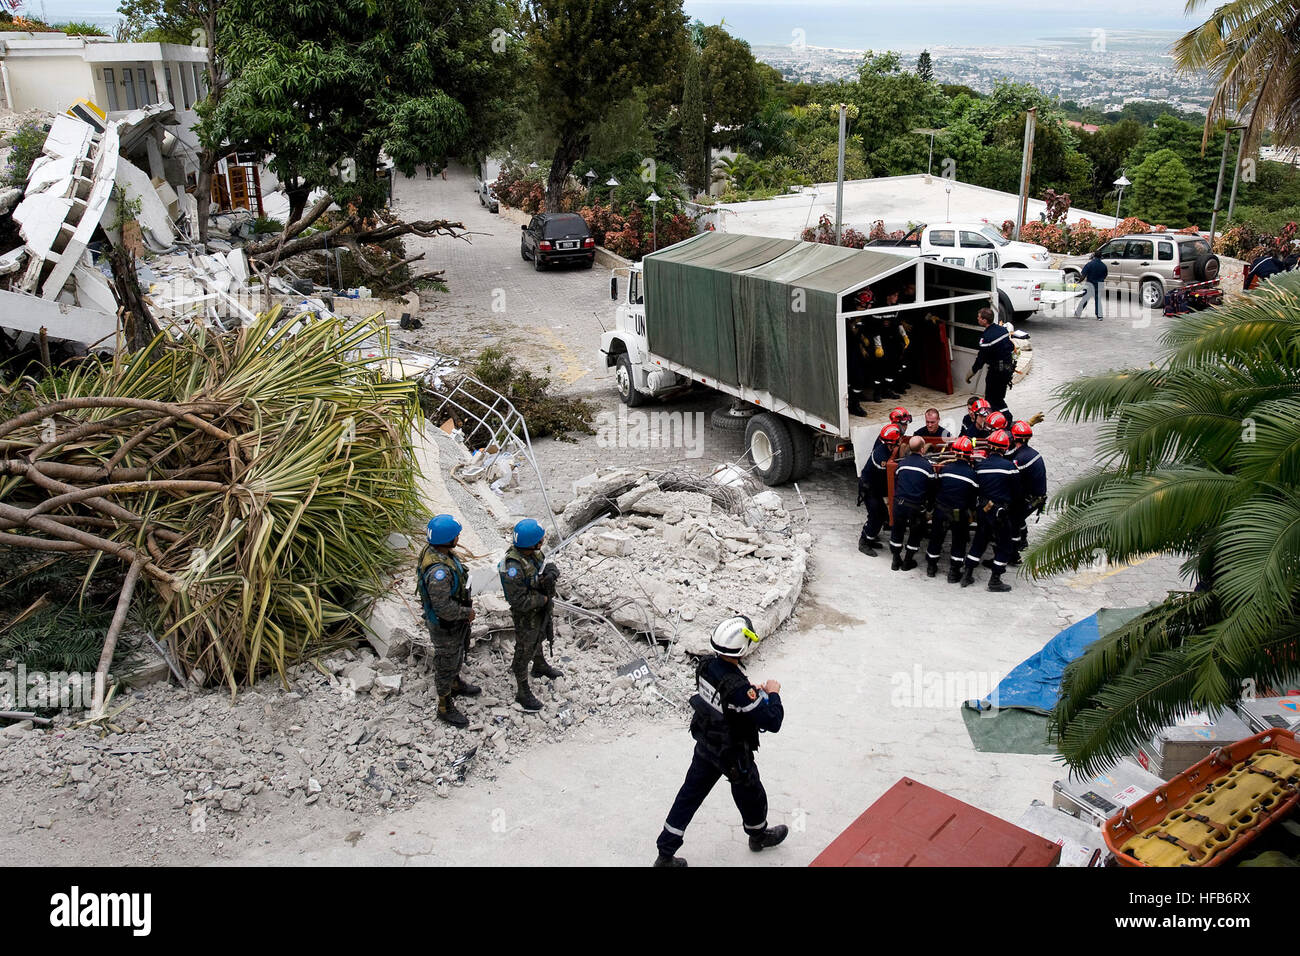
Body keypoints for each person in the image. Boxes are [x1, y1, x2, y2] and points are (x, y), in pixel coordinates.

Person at [654, 616, 787, 867]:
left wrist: (750, 695)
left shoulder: (705, 666)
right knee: (751, 794)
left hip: (706, 743)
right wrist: (773, 693)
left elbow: (724, 699)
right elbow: (773, 721)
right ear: (741, 648)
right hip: (733, 753)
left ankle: (665, 853)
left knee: (688, 796)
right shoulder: (739, 689)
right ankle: (758, 835)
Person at [416, 515, 480, 728]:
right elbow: (442, 608)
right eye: (455, 536)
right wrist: (466, 613)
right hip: (446, 626)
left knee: (457, 655)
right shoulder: (438, 573)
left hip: (454, 623)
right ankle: (444, 704)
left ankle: (455, 682)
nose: (458, 538)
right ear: (446, 540)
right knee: (446, 662)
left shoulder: (438, 553)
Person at [498, 518, 564, 713]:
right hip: (526, 615)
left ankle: (540, 664)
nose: (542, 543)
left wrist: (552, 573)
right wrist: (542, 600)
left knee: (540, 637)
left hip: (540, 611)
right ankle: (522, 687)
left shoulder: (533, 554)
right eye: (540, 540)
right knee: (524, 648)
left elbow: (545, 566)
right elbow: (518, 601)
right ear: (533, 543)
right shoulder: (513, 568)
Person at [962, 429, 1018, 592]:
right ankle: (995, 580)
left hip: (983, 510)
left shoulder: (979, 467)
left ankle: (967, 573)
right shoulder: (1009, 467)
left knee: (980, 541)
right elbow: (1017, 493)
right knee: (1005, 546)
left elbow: (975, 489)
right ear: (1005, 448)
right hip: (1000, 513)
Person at [927, 436, 979, 581]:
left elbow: (937, 488)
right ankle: (954, 573)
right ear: (970, 454)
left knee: (936, 538)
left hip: (940, 510)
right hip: (958, 513)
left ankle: (931, 567)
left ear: (954, 453)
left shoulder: (945, 469)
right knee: (959, 541)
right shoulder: (972, 475)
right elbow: (972, 499)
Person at [890, 437, 935, 571]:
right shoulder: (927, 466)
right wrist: (930, 508)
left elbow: (897, 481)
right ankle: (907, 562)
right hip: (916, 506)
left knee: (897, 530)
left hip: (899, 503)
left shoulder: (902, 464)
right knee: (915, 533)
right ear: (922, 449)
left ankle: (895, 560)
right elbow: (932, 490)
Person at [857, 423, 902, 557]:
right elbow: (890, 473)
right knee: (876, 515)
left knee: (882, 514)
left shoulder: (886, 448)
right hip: (869, 489)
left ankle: (870, 537)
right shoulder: (881, 457)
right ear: (893, 442)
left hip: (874, 487)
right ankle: (864, 541)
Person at [965, 307, 1015, 416]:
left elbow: (980, 361)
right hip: (1007, 370)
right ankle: (999, 419)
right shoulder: (1003, 330)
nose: (977, 319)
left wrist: (969, 375)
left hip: (996, 373)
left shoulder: (986, 338)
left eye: (979, 317)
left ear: (984, 320)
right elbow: (1011, 347)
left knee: (993, 400)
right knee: (999, 398)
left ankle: (1006, 418)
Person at [1009, 420, 1047, 564]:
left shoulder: (1020, 459)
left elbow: (1012, 480)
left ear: (1013, 438)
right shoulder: (1029, 453)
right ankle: (1023, 540)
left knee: (1012, 519)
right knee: (1017, 516)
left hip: (1031, 498)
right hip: (1036, 496)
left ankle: (1014, 554)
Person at [876, 289, 906, 398]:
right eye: (894, 295)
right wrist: (878, 346)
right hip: (882, 343)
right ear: (888, 296)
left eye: (897, 295)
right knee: (881, 368)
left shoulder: (895, 308)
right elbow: (876, 328)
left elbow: (898, 324)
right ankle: (878, 393)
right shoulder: (879, 308)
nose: (896, 298)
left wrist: (904, 336)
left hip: (893, 341)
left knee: (893, 366)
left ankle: (888, 390)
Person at [1074, 249, 1108, 320]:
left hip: (1090, 284)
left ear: (1094, 256)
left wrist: (1078, 282)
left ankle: (1078, 313)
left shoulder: (1089, 264)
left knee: (1085, 299)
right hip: (1099, 284)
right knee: (1098, 300)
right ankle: (1099, 316)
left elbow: (1083, 276)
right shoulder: (1104, 266)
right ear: (1101, 257)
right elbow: (1105, 275)